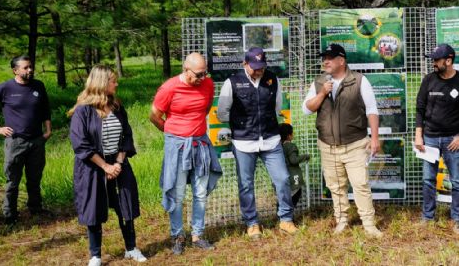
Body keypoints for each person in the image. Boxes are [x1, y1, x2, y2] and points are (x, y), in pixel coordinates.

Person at [216, 47, 298, 239]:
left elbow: (277, 108)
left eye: (261, 67)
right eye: (254, 67)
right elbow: (221, 113)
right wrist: (242, 121)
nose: (258, 71)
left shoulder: (273, 80)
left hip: (271, 140)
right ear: (245, 64)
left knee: (283, 179)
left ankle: (286, 219)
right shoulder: (232, 82)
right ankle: (252, 223)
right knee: (246, 184)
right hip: (244, 143)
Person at [302, 43, 383, 238]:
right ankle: (341, 220)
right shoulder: (320, 82)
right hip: (328, 146)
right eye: (324, 58)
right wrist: (322, 93)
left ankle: (369, 224)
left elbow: (372, 110)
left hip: (355, 144)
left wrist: (375, 138)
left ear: (341, 60)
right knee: (335, 186)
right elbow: (306, 109)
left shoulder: (359, 80)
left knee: (360, 184)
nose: (325, 61)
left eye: (330, 58)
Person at [68, 65, 146, 266]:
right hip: (93, 167)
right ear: (102, 83)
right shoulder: (83, 111)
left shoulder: (117, 107)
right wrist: (105, 167)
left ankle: (131, 248)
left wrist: (118, 162)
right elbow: (81, 144)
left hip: (118, 163)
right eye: (113, 80)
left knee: (125, 206)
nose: (116, 83)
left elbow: (126, 136)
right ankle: (95, 255)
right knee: (93, 210)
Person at [150, 52, 222, 255]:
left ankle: (197, 235)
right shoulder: (169, 87)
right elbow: (154, 115)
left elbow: (205, 108)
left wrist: (193, 128)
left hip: (200, 143)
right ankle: (178, 235)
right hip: (178, 146)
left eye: (205, 73)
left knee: (200, 193)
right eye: (198, 74)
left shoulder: (208, 84)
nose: (202, 78)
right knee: (177, 192)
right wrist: (173, 133)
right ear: (185, 70)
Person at [414, 44, 459, 234]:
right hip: (430, 139)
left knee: (457, 181)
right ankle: (428, 216)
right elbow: (419, 108)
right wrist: (419, 135)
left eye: (436, 60)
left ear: (448, 61)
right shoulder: (428, 80)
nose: (433, 63)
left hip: (453, 140)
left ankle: (457, 218)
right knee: (428, 180)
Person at [0, 55, 52, 225]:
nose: (30, 70)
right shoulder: (4, 88)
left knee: (34, 178)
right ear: (15, 70)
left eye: (31, 67)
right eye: (26, 67)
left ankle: (36, 208)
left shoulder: (38, 86)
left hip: (36, 140)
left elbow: (45, 109)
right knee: (12, 180)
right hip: (15, 141)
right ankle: (9, 215)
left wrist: (48, 130)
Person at [279, 123, 310, 207]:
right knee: (296, 193)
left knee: (282, 197)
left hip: (280, 177)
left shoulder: (278, 147)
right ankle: (289, 215)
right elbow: (294, 160)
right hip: (293, 176)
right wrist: (305, 156)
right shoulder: (291, 146)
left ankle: (281, 214)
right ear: (289, 136)